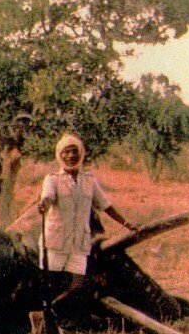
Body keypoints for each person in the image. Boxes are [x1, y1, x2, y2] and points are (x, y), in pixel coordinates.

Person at [37, 133, 138, 311]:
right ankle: (45, 316)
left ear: (81, 153)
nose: (70, 156)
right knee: (51, 282)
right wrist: (44, 204)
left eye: (74, 151)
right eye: (65, 152)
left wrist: (126, 223)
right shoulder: (52, 179)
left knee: (78, 283)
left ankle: (51, 311)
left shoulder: (89, 180)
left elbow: (105, 205)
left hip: (79, 242)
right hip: (55, 240)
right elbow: (48, 197)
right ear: (59, 155)